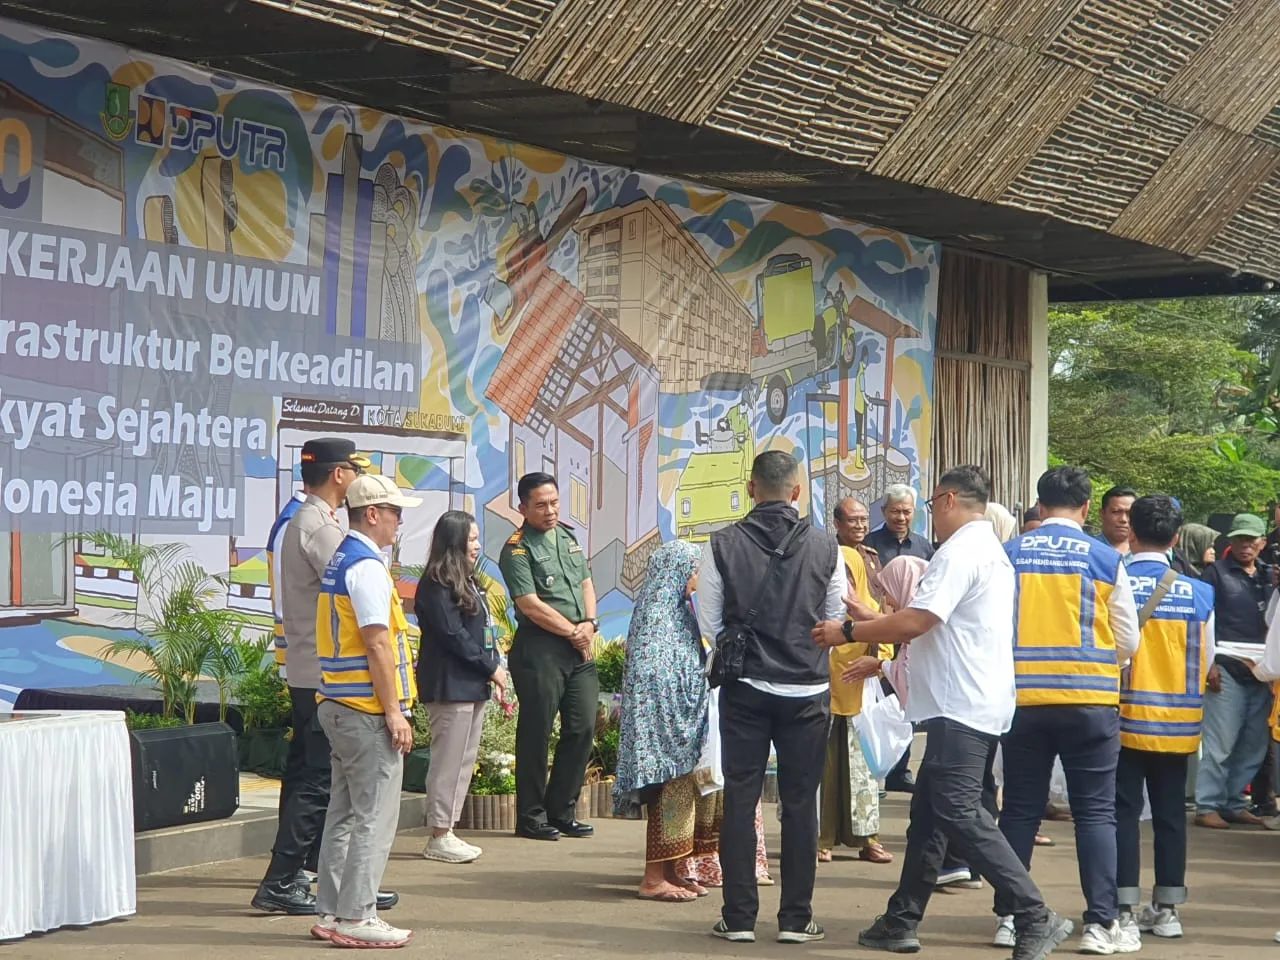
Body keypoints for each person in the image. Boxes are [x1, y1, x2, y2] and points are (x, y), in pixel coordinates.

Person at [814, 465, 1071, 960]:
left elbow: (918, 620)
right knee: (930, 816)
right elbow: (929, 624)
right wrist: (875, 620)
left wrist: (847, 631)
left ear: (949, 500)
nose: (929, 515)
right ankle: (901, 918)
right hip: (969, 702)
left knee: (956, 810)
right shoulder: (986, 550)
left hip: (961, 705)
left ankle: (1033, 913)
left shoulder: (960, 552)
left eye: (930, 505)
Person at [696, 450, 842, 944]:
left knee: (741, 798)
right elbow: (834, 618)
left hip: (746, 688)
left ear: (751, 488)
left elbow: (710, 621)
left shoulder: (721, 543)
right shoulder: (826, 545)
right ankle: (796, 920)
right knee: (801, 804)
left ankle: (738, 918)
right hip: (808, 688)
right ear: (796, 492)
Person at [999, 466, 1140, 955]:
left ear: (1040, 507)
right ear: (1086, 508)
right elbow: (1128, 639)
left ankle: (1012, 919)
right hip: (1090, 701)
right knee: (1096, 813)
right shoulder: (1105, 558)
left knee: (1020, 809)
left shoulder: (1011, 553)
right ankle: (1100, 923)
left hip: (1023, 700)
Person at [252, 439, 394, 916]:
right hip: (323, 674)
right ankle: (282, 879)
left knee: (311, 776)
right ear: (339, 475)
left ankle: (324, 874)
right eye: (354, 471)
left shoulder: (308, 521)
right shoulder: (320, 528)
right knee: (316, 780)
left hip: (312, 670)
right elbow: (357, 584)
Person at [312, 474, 422, 947]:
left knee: (344, 814)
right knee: (374, 817)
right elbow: (378, 643)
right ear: (372, 514)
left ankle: (333, 911)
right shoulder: (367, 567)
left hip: (340, 703)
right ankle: (358, 915)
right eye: (395, 512)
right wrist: (394, 712)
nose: (400, 522)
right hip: (365, 710)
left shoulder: (342, 560)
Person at [1116, 495, 1215, 944]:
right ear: (1176, 538)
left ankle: (1122, 907)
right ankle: (1168, 909)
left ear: (1131, 533)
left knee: (1121, 812)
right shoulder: (1200, 592)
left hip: (1123, 716)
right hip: (1178, 723)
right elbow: (1207, 658)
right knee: (1171, 813)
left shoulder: (1114, 581)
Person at [611, 540, 715, 902]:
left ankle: (672, 871)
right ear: (677, 572)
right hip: (664, 733)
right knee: (667, 796)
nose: (698, 579)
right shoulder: (656, 615)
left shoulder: (678, 609)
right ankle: (653, 879)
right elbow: (653, 676)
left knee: (682, 797)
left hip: (681, 727)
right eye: (695, 571)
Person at [499, 472, 599, 842]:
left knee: (583, 726)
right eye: (541, 505)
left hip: (580, 645)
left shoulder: (568, 537)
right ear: (523, 508)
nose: (550, 510)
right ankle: (531, 817)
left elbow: (586, 584)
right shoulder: (517, 549)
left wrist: (589, 624)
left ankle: (562, 811)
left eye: (554, 502)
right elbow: (529, 604)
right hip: (540, 647)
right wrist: (573, 631)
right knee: (537, 731)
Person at [414, 510, 508, 864]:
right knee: (448, 762)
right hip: (450, 684)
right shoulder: (436, 583)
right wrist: (490, 666)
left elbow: (480, 632)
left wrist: (494, 665)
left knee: (464, 760)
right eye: (471, 539)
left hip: (472, 683)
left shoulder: (469, 580)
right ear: (454, 542)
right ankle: (439, 833)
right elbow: (452, 635)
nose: (477, 545)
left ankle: (448, 829)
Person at [1194, 513, 1275, 829]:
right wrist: (1209, 664)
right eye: (1240, 539)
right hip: (1226, 666)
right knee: (1221, 742)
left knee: (1253, 743)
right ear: (1231, 541)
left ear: (1262, 543)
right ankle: (1207, 805)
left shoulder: (1269, 575)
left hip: (1263, 670)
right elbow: (1202, 621)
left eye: (1251, 540)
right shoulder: (1215, 573)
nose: (1245, 545)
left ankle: (1232, 802)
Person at [819, 544, 892, 866]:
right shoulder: (816, 607)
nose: (843, 582)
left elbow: (888, 643)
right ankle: (821, 839)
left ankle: (868, 839)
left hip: (860, 696)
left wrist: (874, 663)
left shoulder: (869, 607)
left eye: (849, 574)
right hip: (821, 695)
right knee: (823, 771)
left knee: (862, 772)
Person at [865, 484, 935, 564]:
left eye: (906, 512)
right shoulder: (868, 544)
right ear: (883, 511)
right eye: (895, 511)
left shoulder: (924, 546)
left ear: (914, 512)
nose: (901, 518)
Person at [1100, 486, 1138, 559]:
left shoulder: (1145, 552)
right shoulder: (1089, 549)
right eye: (1116, 512)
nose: (1123, 519)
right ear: (1102, 514)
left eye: (1129, 513)